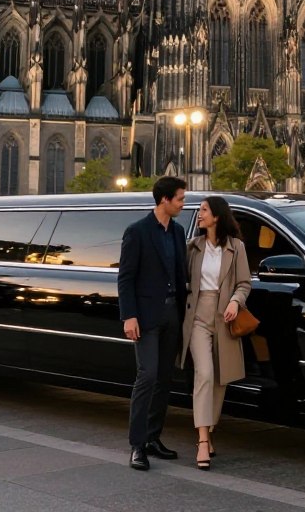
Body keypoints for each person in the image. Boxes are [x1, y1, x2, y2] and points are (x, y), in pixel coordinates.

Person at [117, 176, 188, 472]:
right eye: (180, 199)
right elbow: (126, 277)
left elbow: (181, 275)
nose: (183, 204)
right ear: (164, 200)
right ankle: (137, 446)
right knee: (147, 376)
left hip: (172, 313)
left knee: (164, 378)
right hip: (145, 316)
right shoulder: (137, 231)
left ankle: (152, 438)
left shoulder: (178, 232)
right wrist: (129, 316)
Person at [180, 196, 251, 471]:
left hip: (224, 318)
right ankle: (201, 441)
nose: (199, 214)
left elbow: (244, 283)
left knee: (221, 380)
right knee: (205, 374)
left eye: (204, 210)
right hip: (198, 317)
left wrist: (235, 301)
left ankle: (209, 432)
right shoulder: (193, 247)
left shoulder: (236, 248)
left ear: (217, 216)